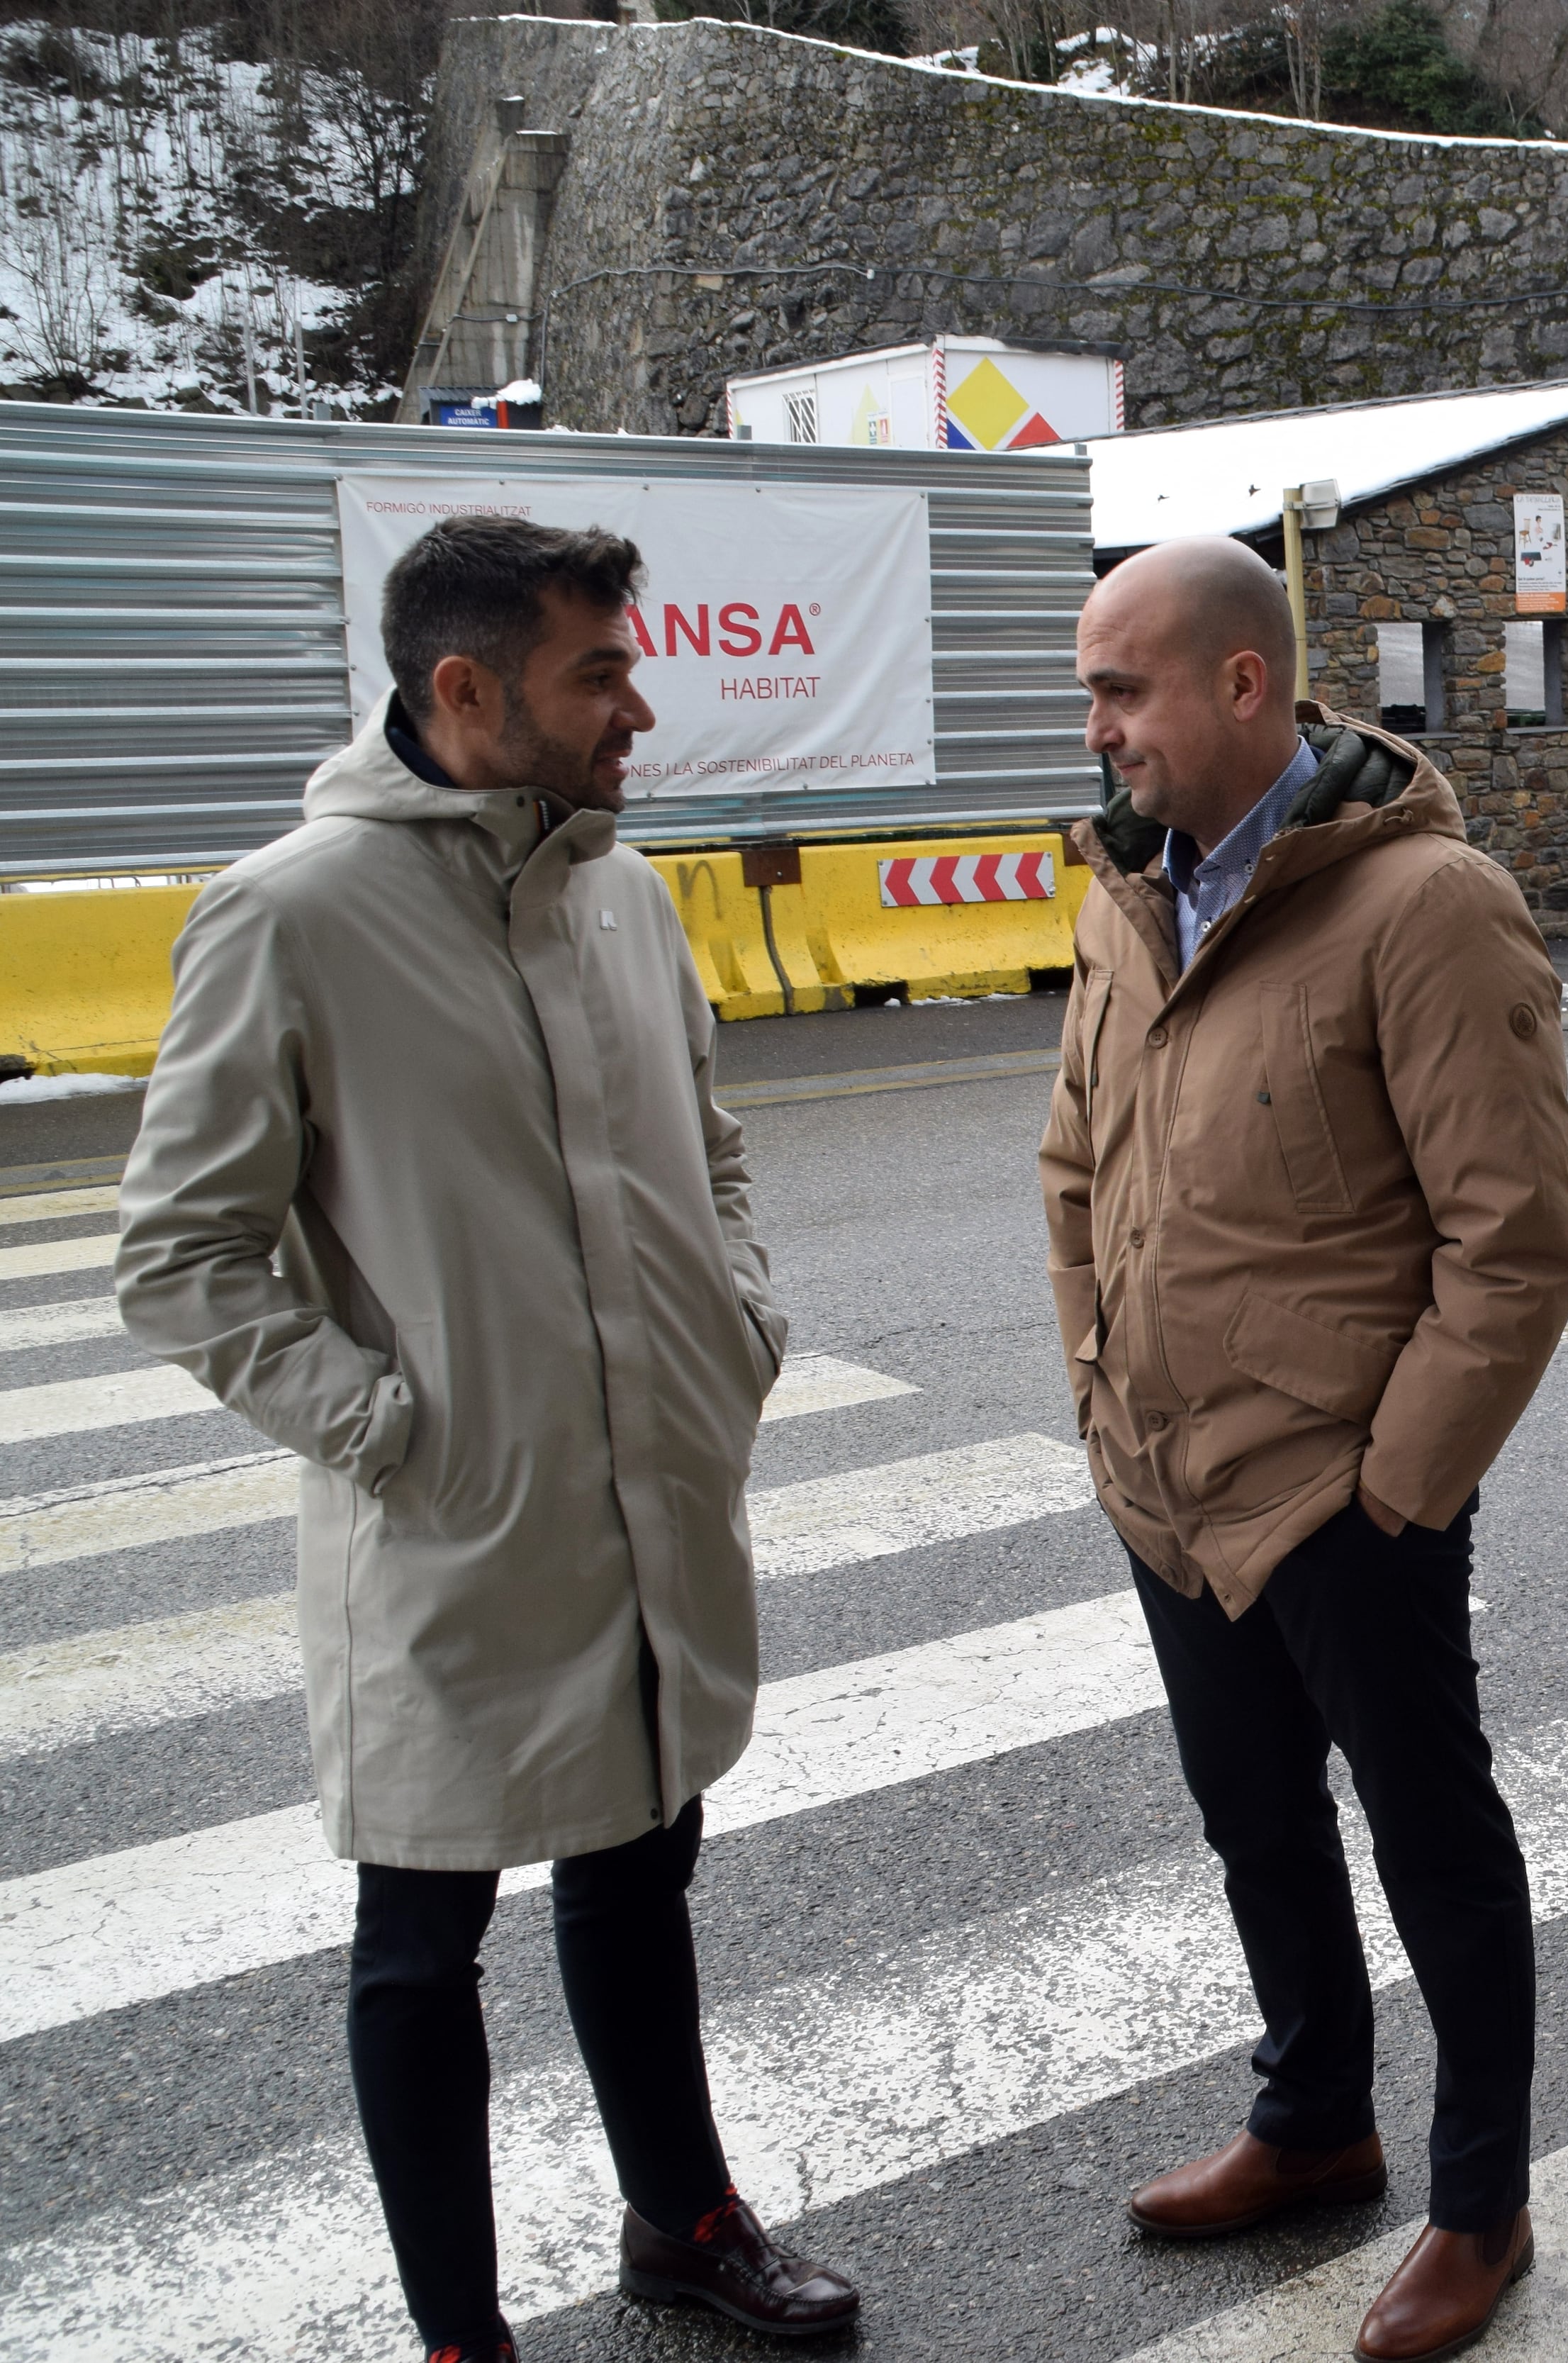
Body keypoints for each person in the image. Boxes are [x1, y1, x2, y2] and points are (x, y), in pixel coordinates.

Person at [115, 516, 856, 2362]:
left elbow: (714, 1138)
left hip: (651, 1497)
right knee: (418, 1943)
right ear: (467, 692)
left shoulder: (622, 889)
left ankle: (680, 2219)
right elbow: (181, 1252)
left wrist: (736, 1327)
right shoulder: (291, 916)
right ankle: (461, 2334)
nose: (638, 703)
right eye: (598, 669)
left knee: (644, 1855)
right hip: (451, 1525)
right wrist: (387, 1426)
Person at [1042, 537, 1568, 2360]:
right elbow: (1075, 1168)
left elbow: (1512, 1237)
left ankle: (1478, 2197)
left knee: (1435, 1840)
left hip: (1345, 1493)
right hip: (1168, 1480)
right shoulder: (1127, 893)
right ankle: (1314, 2124)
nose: (1097, 723)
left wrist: (1398, 1485)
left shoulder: (1426, 906)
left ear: (1243, 686)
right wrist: (1101, 1387)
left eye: (1122, 687)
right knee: (1255, 1822)